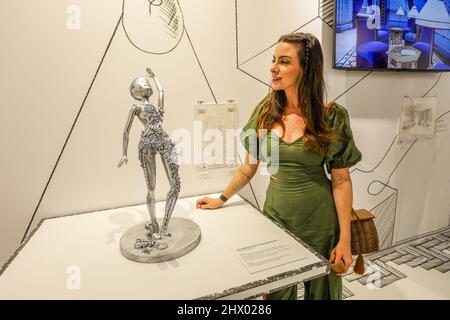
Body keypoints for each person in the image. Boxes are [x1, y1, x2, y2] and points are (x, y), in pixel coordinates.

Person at [195, 32, 362, 300]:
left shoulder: (331, 116)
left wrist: (345, 239)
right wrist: (221, 198)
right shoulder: (265, 111)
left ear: (306, 69)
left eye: (284, 61)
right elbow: (248, 168)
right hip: (277, 217)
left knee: (322, 292)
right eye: (274, 60)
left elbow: (341, 180)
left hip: (320, 222)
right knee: (276, 293)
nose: (273, 67)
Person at [118, 68, 181, 248]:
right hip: (147, 144)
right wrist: (124, 153)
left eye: (146, 84)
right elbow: (126, 131)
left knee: (175, 183)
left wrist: (156, 78)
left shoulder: (155, 107)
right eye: (143, 83)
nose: (146, 85)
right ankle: (154, 224)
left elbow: (162, 92)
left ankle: (164, 226)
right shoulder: (136, 108)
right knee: (151, 188)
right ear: (136, 91)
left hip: (164, 140)